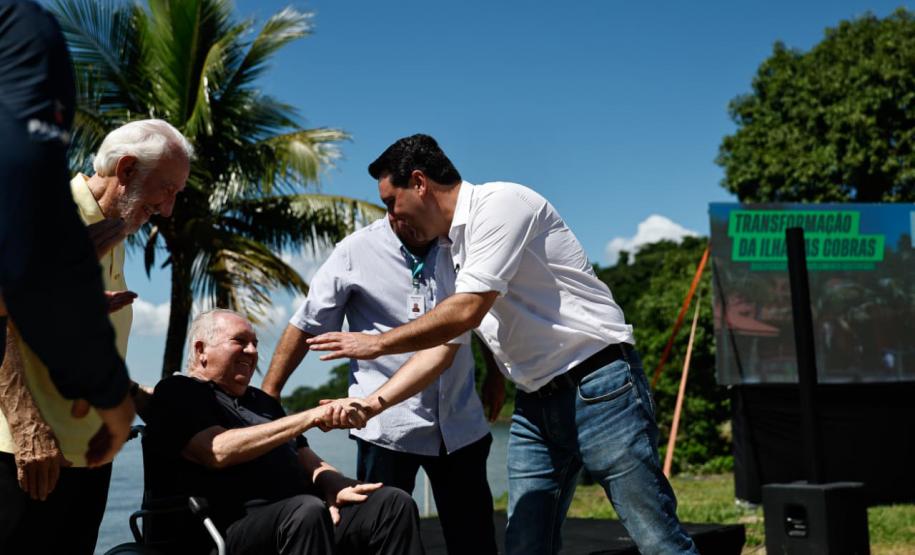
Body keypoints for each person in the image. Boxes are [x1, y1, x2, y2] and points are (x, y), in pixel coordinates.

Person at [307, 134, 699, 555]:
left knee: (657, 539)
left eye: (391, 201)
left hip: (599, 386)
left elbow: (466, 312)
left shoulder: (501, 206)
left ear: (419, 182)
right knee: (525, 546)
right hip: (534, 403)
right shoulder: (455, 249)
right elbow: (444, 346)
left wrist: (377, 343)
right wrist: (374, 405)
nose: (391, 216)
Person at [0, 118, 193, 554]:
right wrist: (28, 425)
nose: (168, 209)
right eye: (167, 189)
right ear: (126, 170)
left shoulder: (116, 226)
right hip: (25, 451)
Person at [262, 211, 503, 554]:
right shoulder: (355, 251)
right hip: (384, 424)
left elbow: (476, 312)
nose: (394, 214)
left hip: (460, 421)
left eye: (398, 204)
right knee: (381, 536)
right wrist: (269, 392)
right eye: (387, 205)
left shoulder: (458, 245)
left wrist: (495, 374)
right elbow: (308, 322)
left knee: (475, 540)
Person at [145, 309, 425, 555]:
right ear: (200, 350)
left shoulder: (263, 403)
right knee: (305, 512)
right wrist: (311, 416)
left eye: (255, 344)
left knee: (392, 503)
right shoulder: (178, 392)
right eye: (239, 342)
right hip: (224, 527)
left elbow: (306, 457)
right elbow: (216, 450)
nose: (253, 352)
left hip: (302, 515)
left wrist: (333, 482)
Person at [0, 0, 134, 459]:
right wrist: (110, 392)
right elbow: (26, 233)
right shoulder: (20, 29)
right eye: (167, 190)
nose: (169, 208)